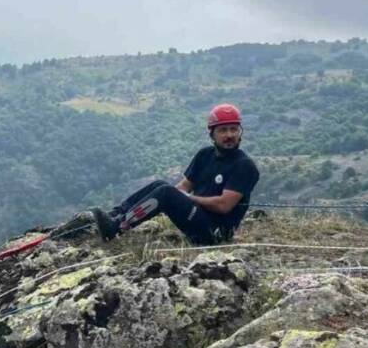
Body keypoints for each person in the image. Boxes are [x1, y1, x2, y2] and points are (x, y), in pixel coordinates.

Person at [91, 103, 260, 245]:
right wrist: (175, 196)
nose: (230, 135)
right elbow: (183, 186)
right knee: (161, 185)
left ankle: (116, 229)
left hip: (215, 233)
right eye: (223, 130)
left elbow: (223, 206)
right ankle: (115, 215)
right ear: (212, 134)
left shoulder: (244, 166)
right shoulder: (205, 155)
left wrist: (187, 198)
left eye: (234, 129)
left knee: (166, 192)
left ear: (240, 132)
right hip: (197, 215)